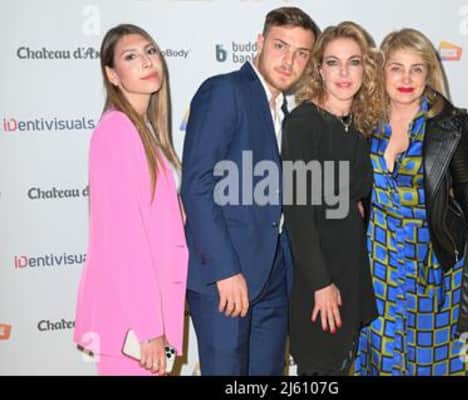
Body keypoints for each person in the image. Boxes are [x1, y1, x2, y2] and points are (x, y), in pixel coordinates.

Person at [181, 7, 319, 376]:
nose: (289, 61)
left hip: (272, 274)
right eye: (280, 46)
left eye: (301, 53)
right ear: (259, 42)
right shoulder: (225, 91)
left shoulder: (283, 111)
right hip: (226, 276)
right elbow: (197, 185)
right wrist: (225, 270)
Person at [353, 28, 468, 376]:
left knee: (435, 361)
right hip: (378, 261)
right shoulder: (364, 121)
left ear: (429, 73)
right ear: (381, 71)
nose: (406, 79)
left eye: (416, 69)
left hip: (435, 263)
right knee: (384, 356)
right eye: (396, 68)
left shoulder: (453, 125)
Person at [73, 24, 188, 376]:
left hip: (149, 314)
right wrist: (148, 328)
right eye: (131, 56)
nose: (146, 61)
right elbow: (123, 239)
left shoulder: (144, 130)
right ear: (112, 75)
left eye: (150, 51)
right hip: (133, 323)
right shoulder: (117, 131)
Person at [282, 21, 384, 376]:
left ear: (365, 69)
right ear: (319, 70)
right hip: (319, 279)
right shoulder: (303, 124)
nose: (343, 73)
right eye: (333, 62)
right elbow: (298, 214)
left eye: (353, 62)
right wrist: (321, 283)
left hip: (352, 271)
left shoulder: (359, 124)